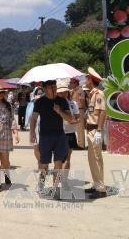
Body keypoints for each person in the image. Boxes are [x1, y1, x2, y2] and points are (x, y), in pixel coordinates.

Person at [29, 80, 73, 199]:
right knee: (44, 163)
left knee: (58, 163)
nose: (53, 89)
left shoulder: (62, 101)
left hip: (59, 135)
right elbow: (33, 119)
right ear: (44, 88)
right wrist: (32, 132)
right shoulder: (40, 101)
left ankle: (55, 188)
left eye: (54, 86)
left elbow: (70, 118)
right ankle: (41, 184)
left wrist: (60, 111)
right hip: (45, 136)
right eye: (50, 87)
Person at [84, 67, 107, 198]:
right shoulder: (92, 94)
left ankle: (101, 189)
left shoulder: (99, 94)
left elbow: (103, 112)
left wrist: (99, 130)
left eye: (87, 78)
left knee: (96, 159)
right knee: (92, 159)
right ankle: (96, 184)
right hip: (90, 129)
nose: (85, 80)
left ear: (91, 80)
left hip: (94, 130)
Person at [56, 79, 80, 186]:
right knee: (58, 158)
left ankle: (63, 179)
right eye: (60, 92)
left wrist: (73, 120)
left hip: (69, 133)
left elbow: (78, 117)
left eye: (64, 91)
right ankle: (59, 178)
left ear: (68, 91)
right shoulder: (55, 105)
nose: (62, 94)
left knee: (67, 158)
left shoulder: (73, 103)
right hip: (57, 133)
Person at [70, 77, 87, 149]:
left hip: (79, 110)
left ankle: (81, 145)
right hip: (74, 110)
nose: (70, 84)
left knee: (80, 128)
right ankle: (77, 143)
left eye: (72, 83)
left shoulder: (80, 90)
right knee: (75, 128)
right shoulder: (72, 91)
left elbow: (82, 101)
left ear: (76, 83)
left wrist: (82, 109)